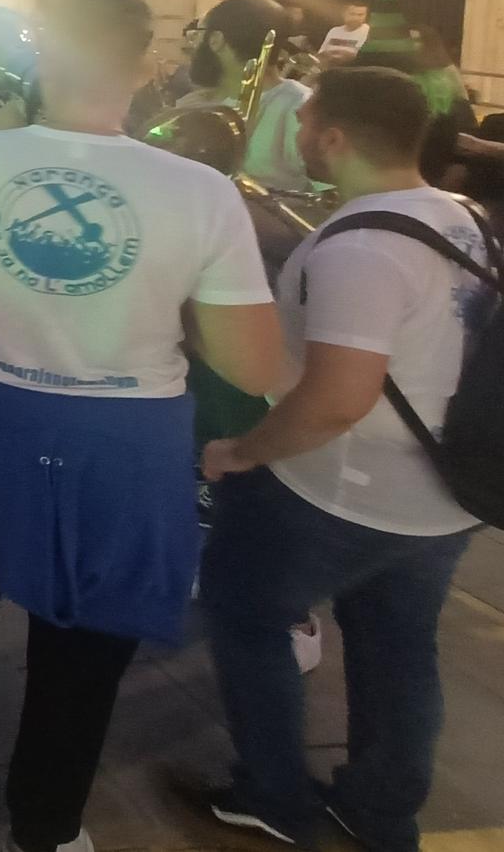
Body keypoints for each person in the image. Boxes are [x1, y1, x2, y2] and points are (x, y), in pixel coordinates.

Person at [0, 0, 285, 852]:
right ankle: (43, 830)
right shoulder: (201, 191)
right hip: (126, 437)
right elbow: (255, 365)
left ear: (43, 58)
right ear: (148, 67)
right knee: (86, 642)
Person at [196, 67, 487, 852]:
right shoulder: (469, 221)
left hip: (336, 492)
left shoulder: (361, 248)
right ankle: (381, 809)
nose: (295, 135)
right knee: (401, 648)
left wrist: (241, 452)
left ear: (333, 136)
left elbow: (337, 399)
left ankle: (274, 795)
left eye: (305, 123)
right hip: (443, 498)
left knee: (246, 613)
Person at [182, 0, 315, 196]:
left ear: (216, 40)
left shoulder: (298, 108)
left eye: (198, 33)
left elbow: (327, 200)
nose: (191, 45)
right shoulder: (195, 104)